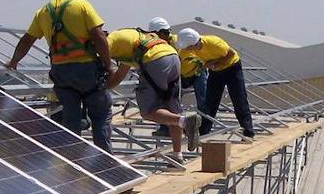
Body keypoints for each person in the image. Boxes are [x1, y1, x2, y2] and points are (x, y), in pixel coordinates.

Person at [5, 0, 114, 152]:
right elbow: (99, 36)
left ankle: (73, 162)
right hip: (87, 71)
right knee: (100, 115)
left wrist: (14, 61)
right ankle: (106, 164)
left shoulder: (43, 11)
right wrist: (108, 65)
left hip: (61, 73)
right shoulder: (82, 6)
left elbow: (27, 40)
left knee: (71, 119)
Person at [103, 28, 199, 156]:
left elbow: (98, 63)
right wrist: (104, 88)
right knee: (173, 109)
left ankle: (185, 121)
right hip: (172, 56)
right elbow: (119, 76)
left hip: (154, 60)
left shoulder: (109, 41)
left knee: (148, 111)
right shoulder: (130, 41)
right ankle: (177, 155)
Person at [175, 28, 254, 138]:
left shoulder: (214, 43)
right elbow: (180, 60)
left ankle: (248, 130)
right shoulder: (186, 50)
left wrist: (213, 62)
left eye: (187, 47)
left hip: (232, 67)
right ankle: (203, 131)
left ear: (193, 44)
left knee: (239, 98)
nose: (186, 49)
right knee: (210, 101)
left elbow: (230, 54)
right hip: (216, 71)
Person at [146, 17, 207, 146]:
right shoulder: (154, 45)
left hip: (193, 73)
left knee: (200, 100)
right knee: (164, 102)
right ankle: (166, 128)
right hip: (175, 76)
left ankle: (201, 129)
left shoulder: (177, 42)